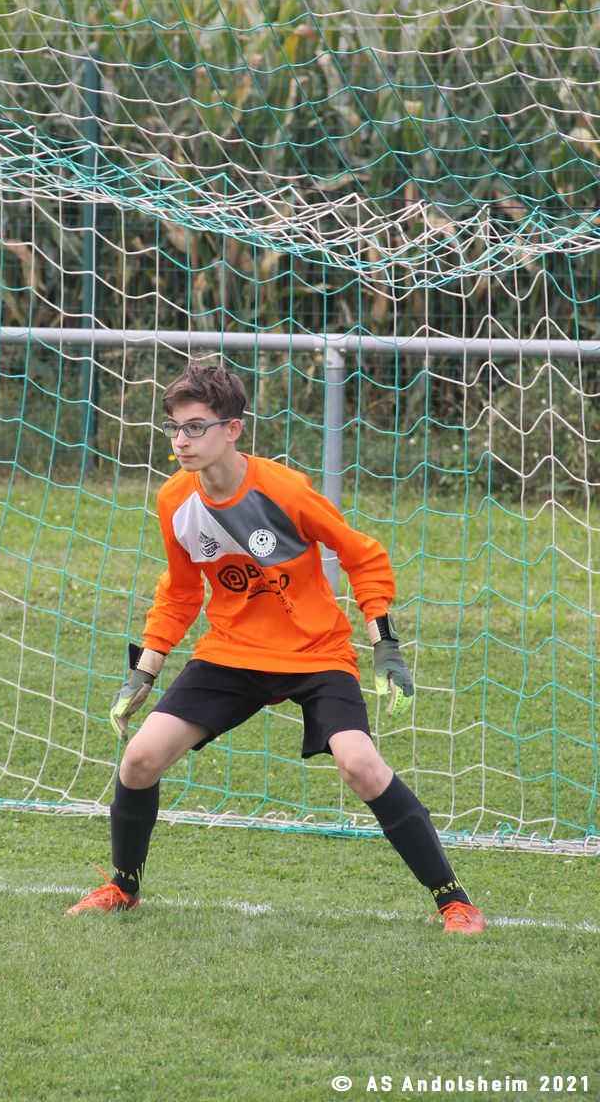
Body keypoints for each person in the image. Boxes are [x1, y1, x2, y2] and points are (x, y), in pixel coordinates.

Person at [67, 363, 485, 934]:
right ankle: (123, 887)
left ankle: (454, 900)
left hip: (315, 653)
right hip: (230, 654)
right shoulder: (174, 500)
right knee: (139, 759)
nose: (182, 441)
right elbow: (181, 591)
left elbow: (363, 555)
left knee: (361, 765)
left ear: (232, 429)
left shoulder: (284, 490)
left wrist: (385, 646)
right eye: (174, 428)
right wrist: (145, 669)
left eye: (196, 427)